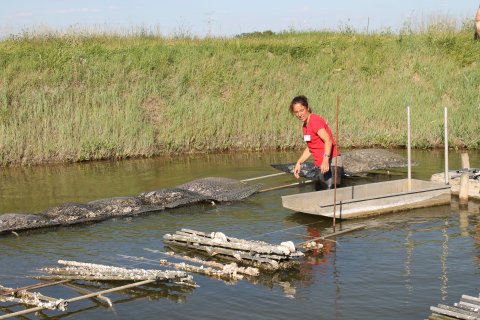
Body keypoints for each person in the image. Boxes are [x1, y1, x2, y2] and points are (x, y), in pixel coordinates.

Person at [289, 95, 343, 190]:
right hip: (320, 165)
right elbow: (310, 148)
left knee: (330, 194)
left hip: (331, 162)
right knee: (320, 192)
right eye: (296, 112)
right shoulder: (305, 126)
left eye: (302, 110)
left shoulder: (314, 121)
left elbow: (328, 140)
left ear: (307, 108)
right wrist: (299, 163)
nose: (299, 114)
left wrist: (326, 160)